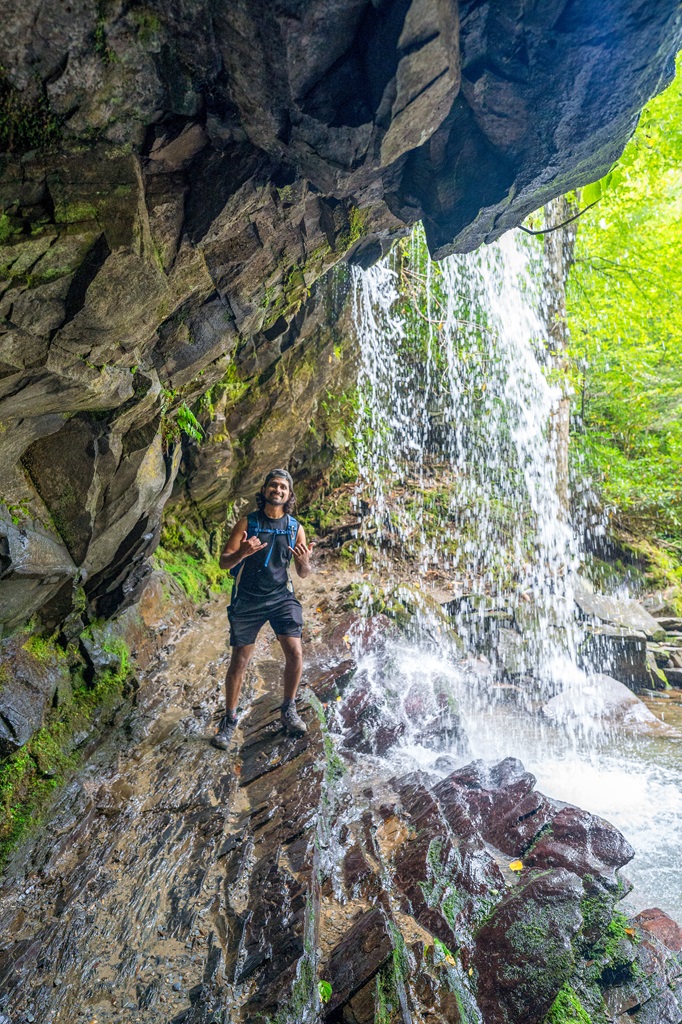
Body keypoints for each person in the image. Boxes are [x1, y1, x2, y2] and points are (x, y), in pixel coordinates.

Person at [211, 468, 314, 749]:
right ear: (265, 490)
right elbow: (224, 562)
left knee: (295, 652)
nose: (277, 490)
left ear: (289, 495)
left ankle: (288, 708)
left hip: (281, 597)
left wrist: (305, 561)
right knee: (240, 661)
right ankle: (229, 720)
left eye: (283, 487)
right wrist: (242, 552)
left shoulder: (295, 528)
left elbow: (303, 572)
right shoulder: (249, 523)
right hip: (248, 598)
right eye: (273, 486)